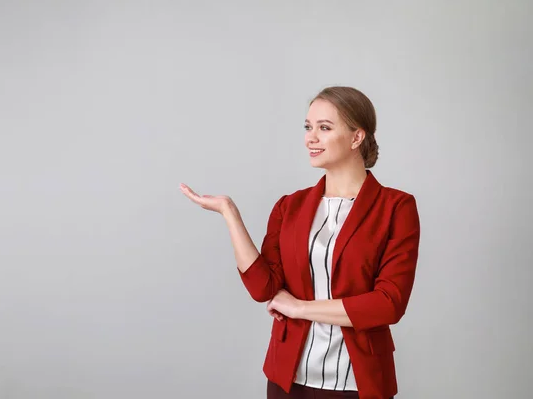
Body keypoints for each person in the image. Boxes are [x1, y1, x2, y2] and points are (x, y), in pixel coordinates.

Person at [180, 86, 420, 399]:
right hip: (288, 379)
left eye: (324, 128)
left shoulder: (396, 207)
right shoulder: (289, 206)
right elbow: (264, 288)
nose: (311, 138)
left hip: (357, 383)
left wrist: (300, 308)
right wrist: (230, 214)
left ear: (356, 137)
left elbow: (388, 303)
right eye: (308, 127)